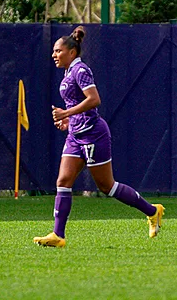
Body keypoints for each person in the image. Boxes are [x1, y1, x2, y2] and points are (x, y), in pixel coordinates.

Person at [33, 27, 164, 248]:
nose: (54, 55)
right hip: (76, 135)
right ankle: (58, 235)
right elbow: (79, 106)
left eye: (58, 51)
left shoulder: (80, 70)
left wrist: (66, 113)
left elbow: (94, 100)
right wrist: (68, 122)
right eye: (53, 51)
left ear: (72, 53)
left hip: (94, 134)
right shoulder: (68, 73)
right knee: (63, 182)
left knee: (107, 186)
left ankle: (152, 211)